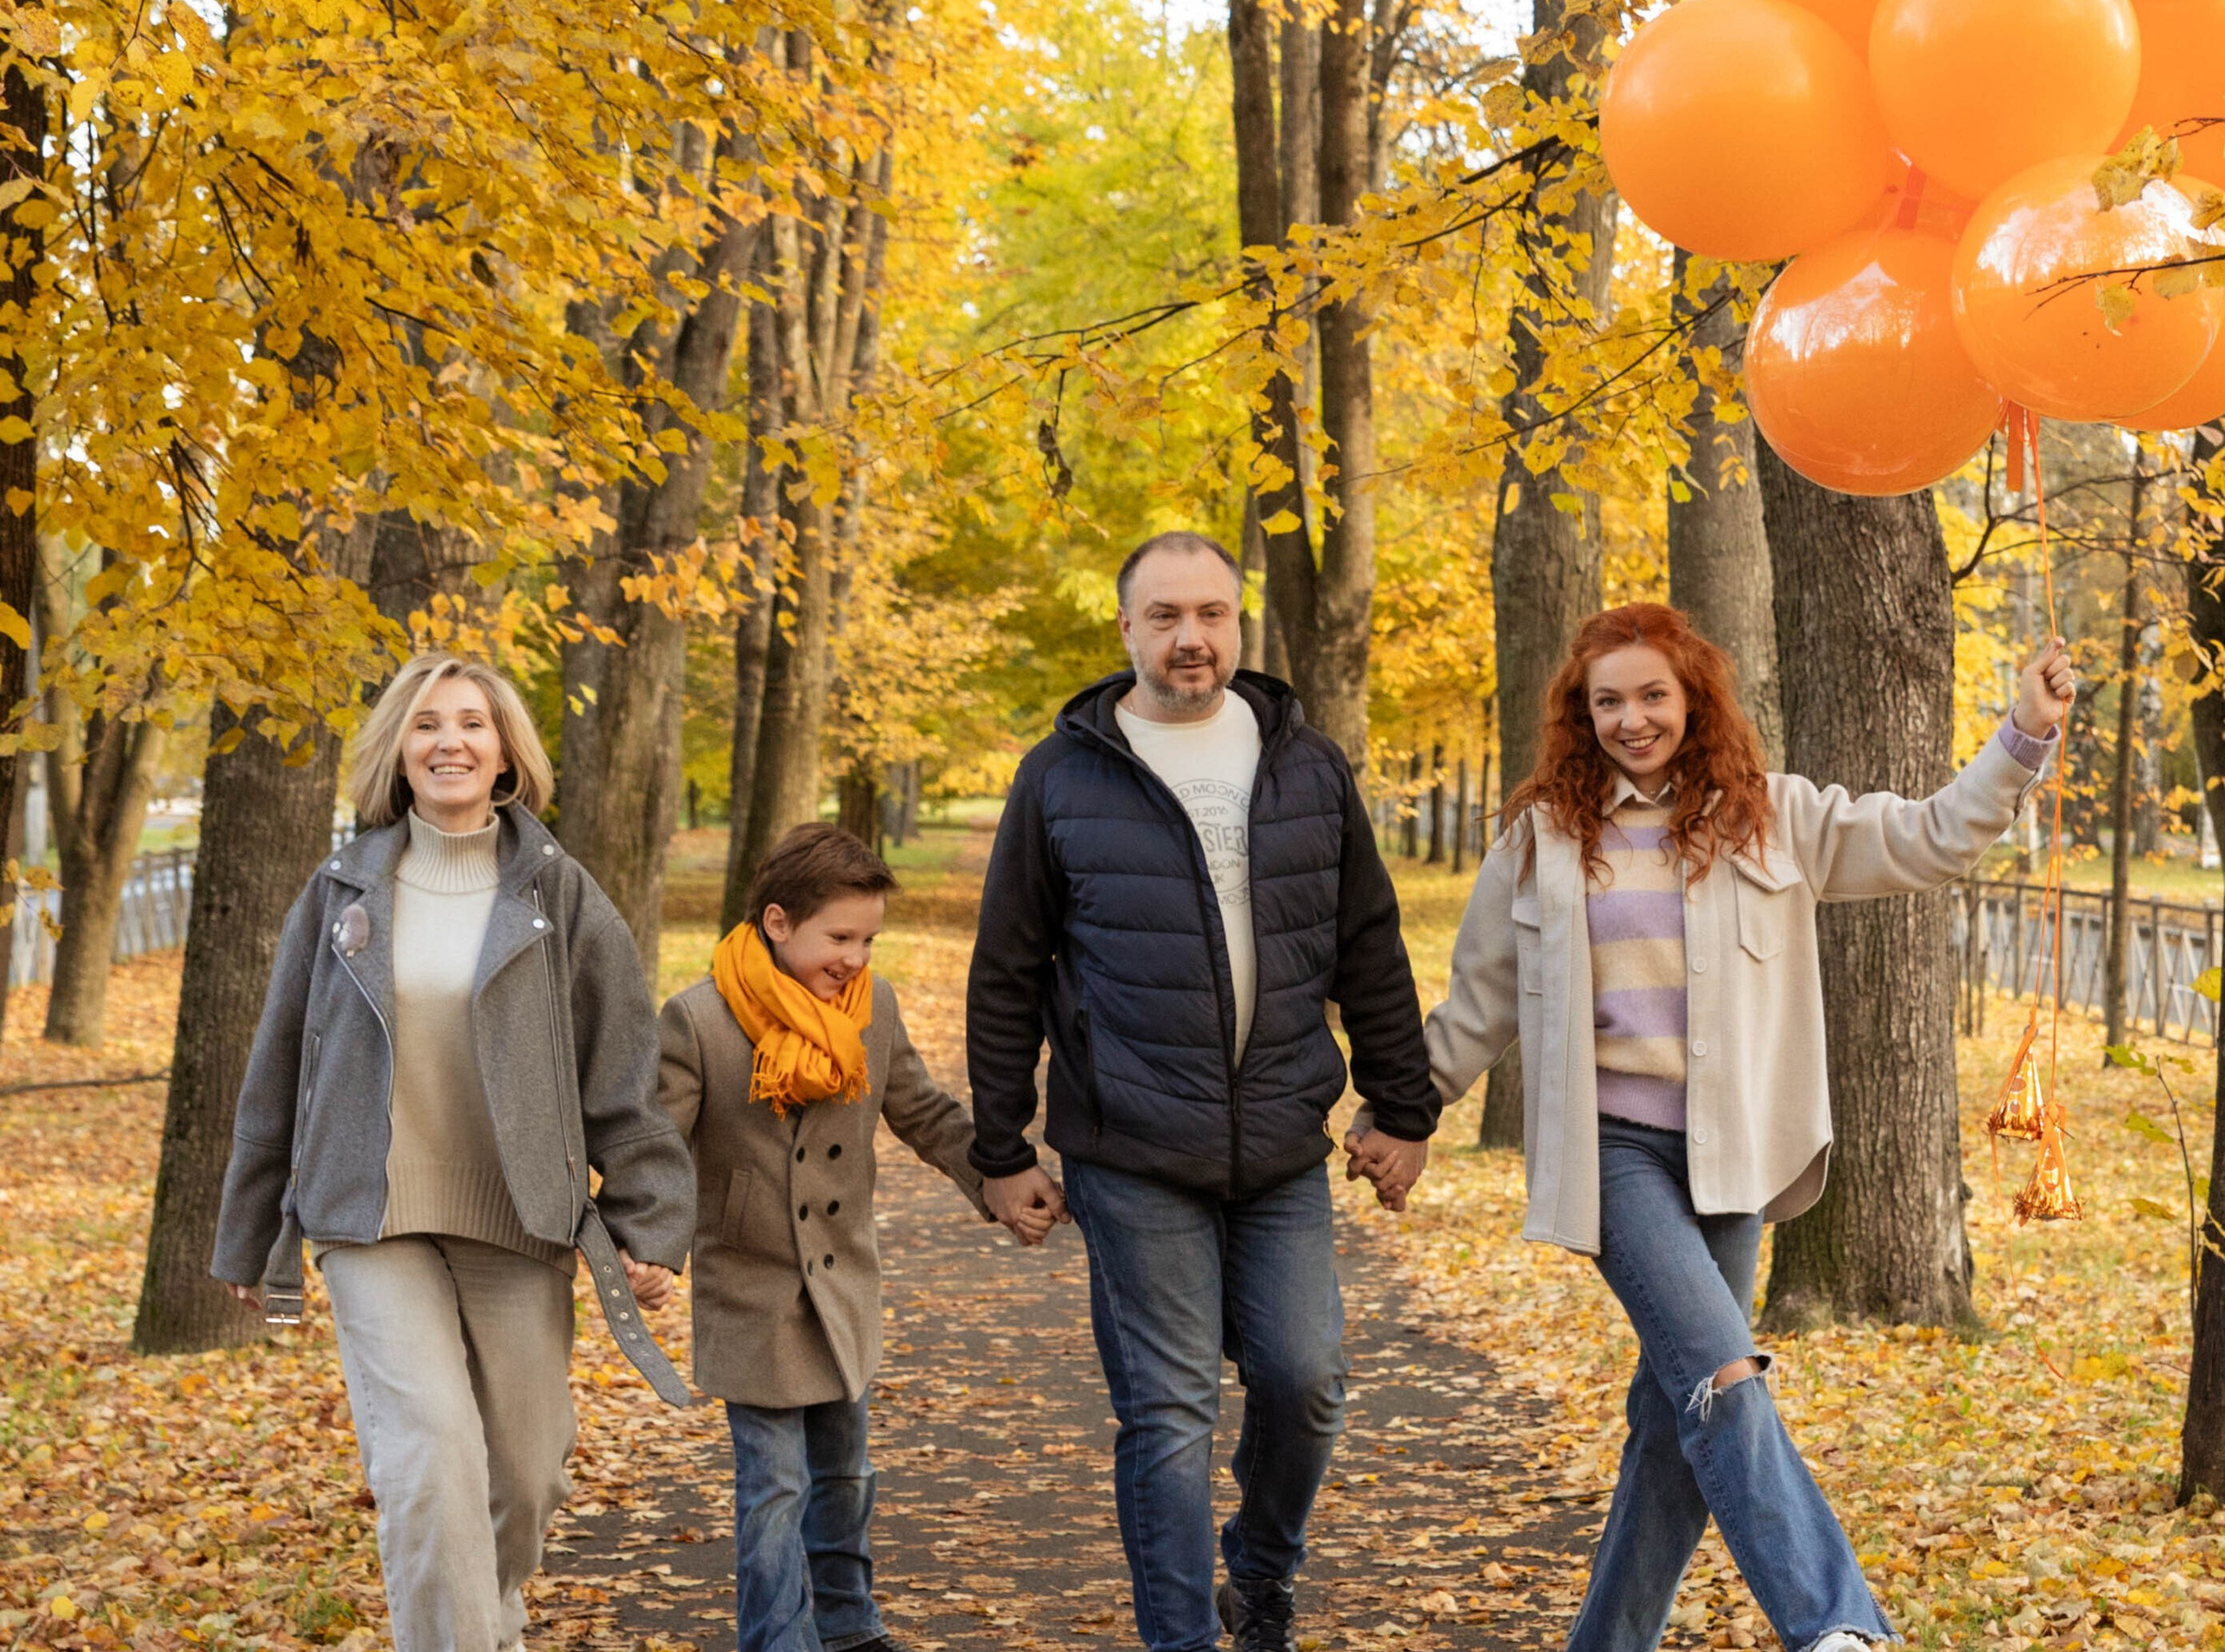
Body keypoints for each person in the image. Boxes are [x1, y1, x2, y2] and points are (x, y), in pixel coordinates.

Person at [1425, 601, 2075, 1652]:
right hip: (1614, 1155)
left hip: (1733, 1157)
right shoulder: (1544, 835)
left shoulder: (1772, 814)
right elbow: (1479, 1000)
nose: (1631, 719)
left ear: (1692, 698)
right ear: (1578, 714)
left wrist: (2023, 735)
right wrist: (1400, 1117)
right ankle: (1835, 1622)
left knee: (1675, 1428)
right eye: (1607, 702)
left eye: (1651, 695)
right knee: (1724, 1379)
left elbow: (1929, 838)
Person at [965, 530, 1443, 1652]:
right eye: (1167, 616)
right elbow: (1007, 969)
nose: (1193, 638)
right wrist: (1001, 1148)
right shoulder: (1062, 775)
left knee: (1307, 1380)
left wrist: (1405, 1108)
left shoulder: (1305, 765)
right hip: (1131, 1150)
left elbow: (1369, 944)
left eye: (1214, 615)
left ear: (1241, 625)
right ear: (1126, 628)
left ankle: (1261, 1576)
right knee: (1169, 1415)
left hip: (1282, 1143)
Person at [212, 653, 694, 1652]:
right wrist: (249, 1229)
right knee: (428, 1458)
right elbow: (279, 1066)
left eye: (471, 722)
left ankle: (483, 1612)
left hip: (517, 1218)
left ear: (505, 748)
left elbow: (623, 1071)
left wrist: (650, 1217)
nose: (450, 742)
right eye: (426, 724)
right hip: (366, 1215)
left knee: (528, 1470)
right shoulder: (342, 889)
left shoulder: (558, 894)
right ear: (399, 748)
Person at [657, 822, 1009, 1652]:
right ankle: (777, 1639)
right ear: (778, 923)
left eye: (868, 939)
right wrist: (647, 1246)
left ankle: (849, 1625)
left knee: (846, 1474)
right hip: (751, 1284)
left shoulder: (872, 1007)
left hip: (842, 1282)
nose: (854, 956)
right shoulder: (700, 1018)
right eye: (838, 937)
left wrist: (996, 1178)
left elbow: (920, 1108)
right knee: (773, 1486)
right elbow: (655, 1151)